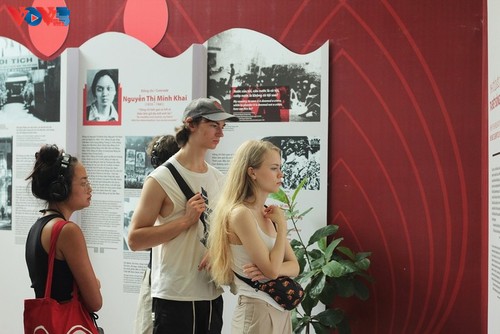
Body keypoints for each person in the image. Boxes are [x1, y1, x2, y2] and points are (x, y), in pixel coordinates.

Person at [128, 97, 238, 334]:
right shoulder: (160, 179)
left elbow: (225, 229)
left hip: (211, 292)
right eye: (213, 125)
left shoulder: (218, 178)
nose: (220, 133)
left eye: (223, 127)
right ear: (191, 124)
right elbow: (135, 239)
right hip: (174, 296)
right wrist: (185, 221)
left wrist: (218, 248)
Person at [208, 140, 299, 334]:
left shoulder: (268, 212)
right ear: (252, 172)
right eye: (274, 168)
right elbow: (273, 271)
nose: (280, 174)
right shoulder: (241, 214)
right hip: (257, 310)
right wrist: (281, 227)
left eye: (280, 168)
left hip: (280, 311)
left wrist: (272, 268)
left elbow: (295, 267)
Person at [25, 144, 102, 318]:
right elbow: (95, 302)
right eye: (83, 182)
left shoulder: (37, 227)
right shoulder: (67, 231)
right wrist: (94, 284)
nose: (89, 188)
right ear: (61, 188)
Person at [134, 134, 179, 334]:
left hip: (163, 274)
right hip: (162, 272)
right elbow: (137, 240)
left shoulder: (158, 185)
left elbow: (139, 241)